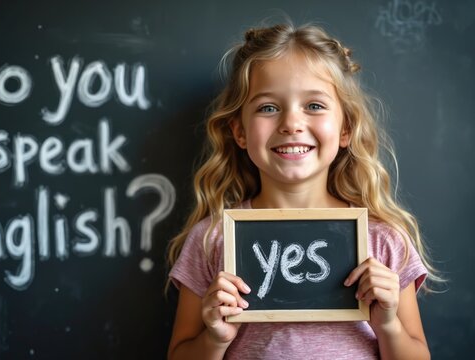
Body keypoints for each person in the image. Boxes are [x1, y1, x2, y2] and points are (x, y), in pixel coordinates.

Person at [166, 22, 438, 359]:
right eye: (268, 108)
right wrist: (215, 339)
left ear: (345, 129)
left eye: (314, 106)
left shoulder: (382, 240)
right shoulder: (212, 239)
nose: (291, 123)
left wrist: (388, 325)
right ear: (239, 131)